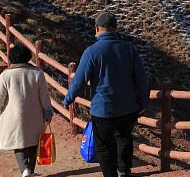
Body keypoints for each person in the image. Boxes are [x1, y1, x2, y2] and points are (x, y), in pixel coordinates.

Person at [64, 12, 150, 177]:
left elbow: (79, 80)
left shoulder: (91, 52)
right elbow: (142, 79)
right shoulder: (129, 49)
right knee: (124, 139)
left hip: (103, 109)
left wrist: (69, 98)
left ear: (97, 29)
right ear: (116, 28)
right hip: (128, 108)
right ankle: (124, 171)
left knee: (104, 146)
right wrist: (143, 103)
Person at [0, 44, 53, 177]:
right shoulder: (37, 73)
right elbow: (45, 96)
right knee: (34, 141)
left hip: (13, 116)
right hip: (35, 115)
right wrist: (47, 112)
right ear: (28, 57)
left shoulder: (6, 75)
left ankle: (24, 170)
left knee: (18, 143)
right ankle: (31, 170)